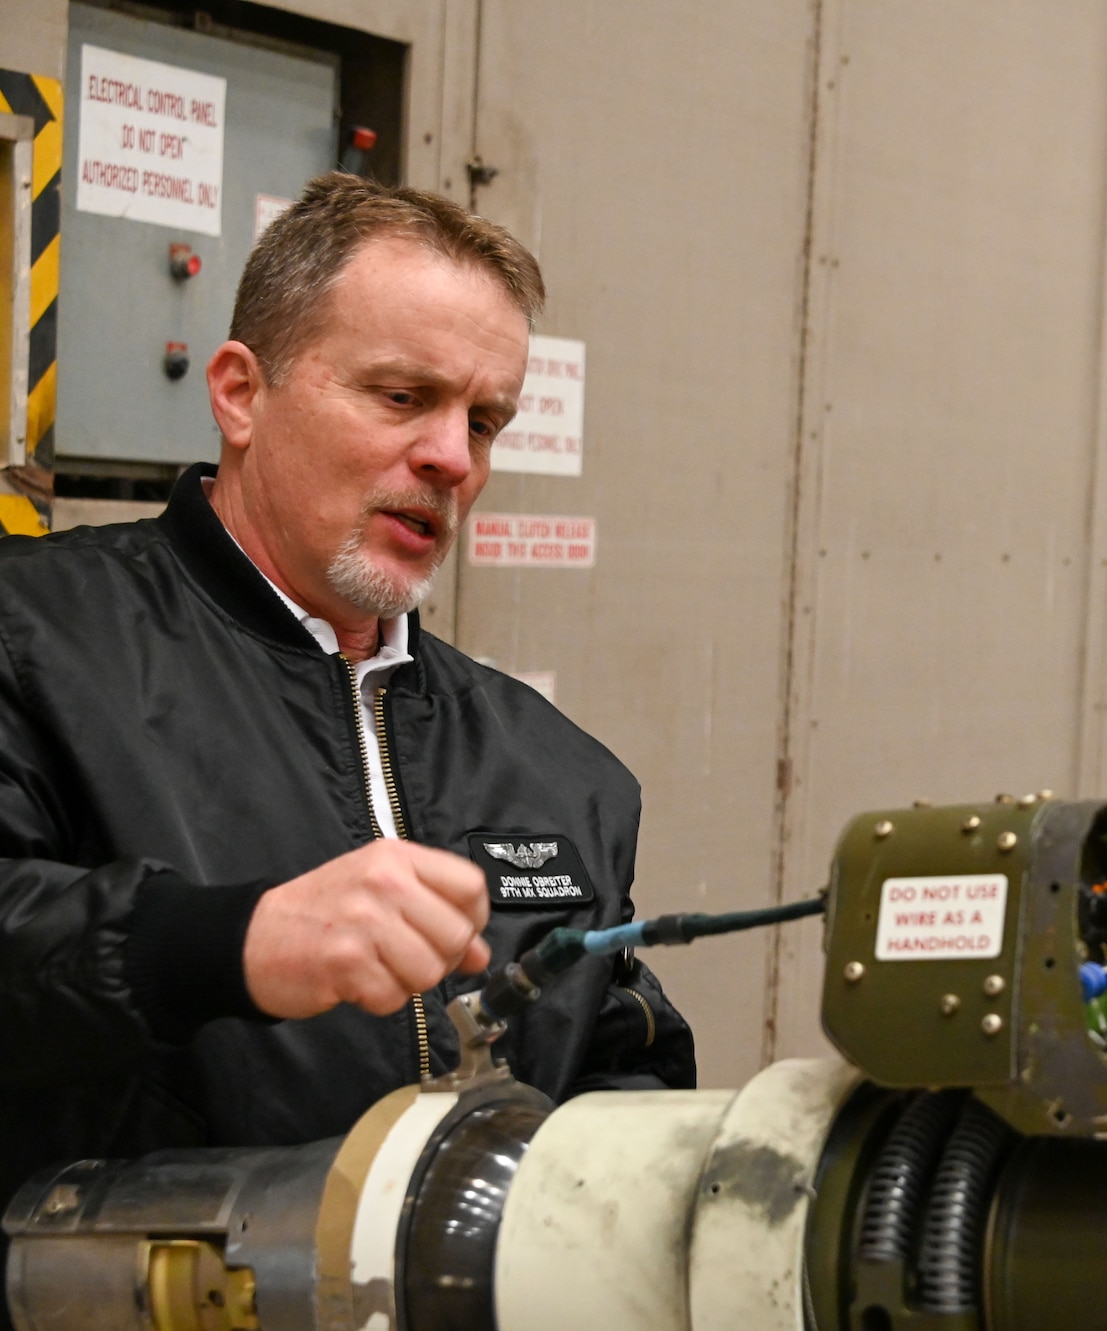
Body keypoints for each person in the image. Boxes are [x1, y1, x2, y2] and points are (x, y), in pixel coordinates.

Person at [0, 174, 691, 1215]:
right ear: (240, 391)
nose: (452, 457)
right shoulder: (35, 637)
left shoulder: (560, 775)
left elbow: (620, 1076)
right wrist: (226, 943)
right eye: (402, 396)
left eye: (486, 419)